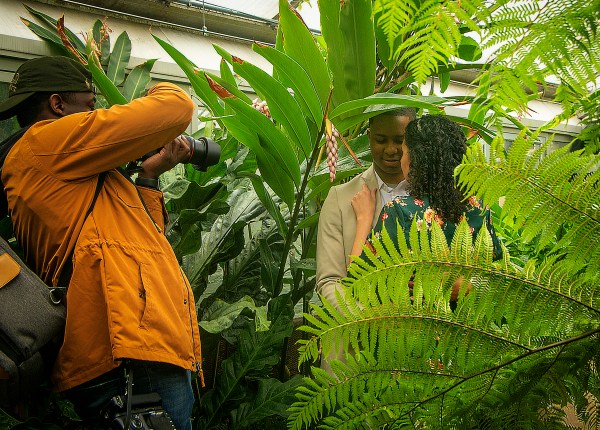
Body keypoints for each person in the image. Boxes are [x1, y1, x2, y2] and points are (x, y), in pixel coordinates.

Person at [0, 56, 203, 429]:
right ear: (57, 104)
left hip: (130, 343)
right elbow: (176, 107)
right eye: (91, 106)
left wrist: (148, 177)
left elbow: (141, 240)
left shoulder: (59, 166)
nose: (97, 116)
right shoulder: (45, 142)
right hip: (126, 350)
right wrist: (153, 91)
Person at [351, 114, 502, 302]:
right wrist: (468, 286)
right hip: (469, 318)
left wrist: (364, 219)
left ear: (415, 159)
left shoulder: (401, 211)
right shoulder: (478, 209)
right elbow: (499, 275)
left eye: (404, 151)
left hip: (415, 319)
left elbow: (358, 281)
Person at [316, 108, 417, 305]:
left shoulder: (437, 194)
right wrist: (367, 318)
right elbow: (329, 281)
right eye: (381, 140)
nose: (390, 150)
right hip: (358, 320)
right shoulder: (340, 199)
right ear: (369, 137)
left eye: (399, 140)